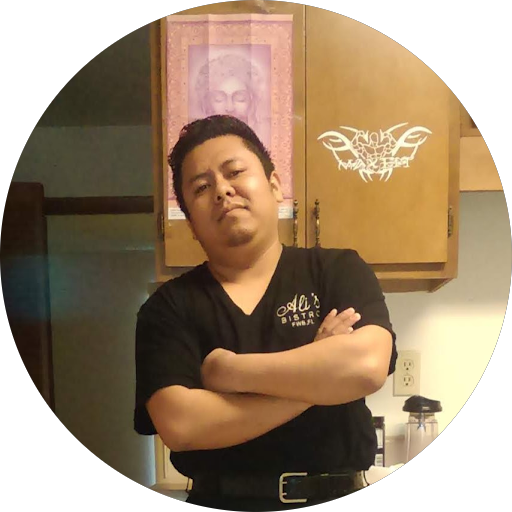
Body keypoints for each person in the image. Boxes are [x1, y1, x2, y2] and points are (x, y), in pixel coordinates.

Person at [134, 115, 397, 511]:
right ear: (190, 222)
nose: (222, 190)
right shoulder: (167, 307)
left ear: (274, 186)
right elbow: (182, 425)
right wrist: (321, 377)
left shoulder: (337, 270)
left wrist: (229, 371)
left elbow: (365, 366)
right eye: (202, 187)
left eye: (235, 172)